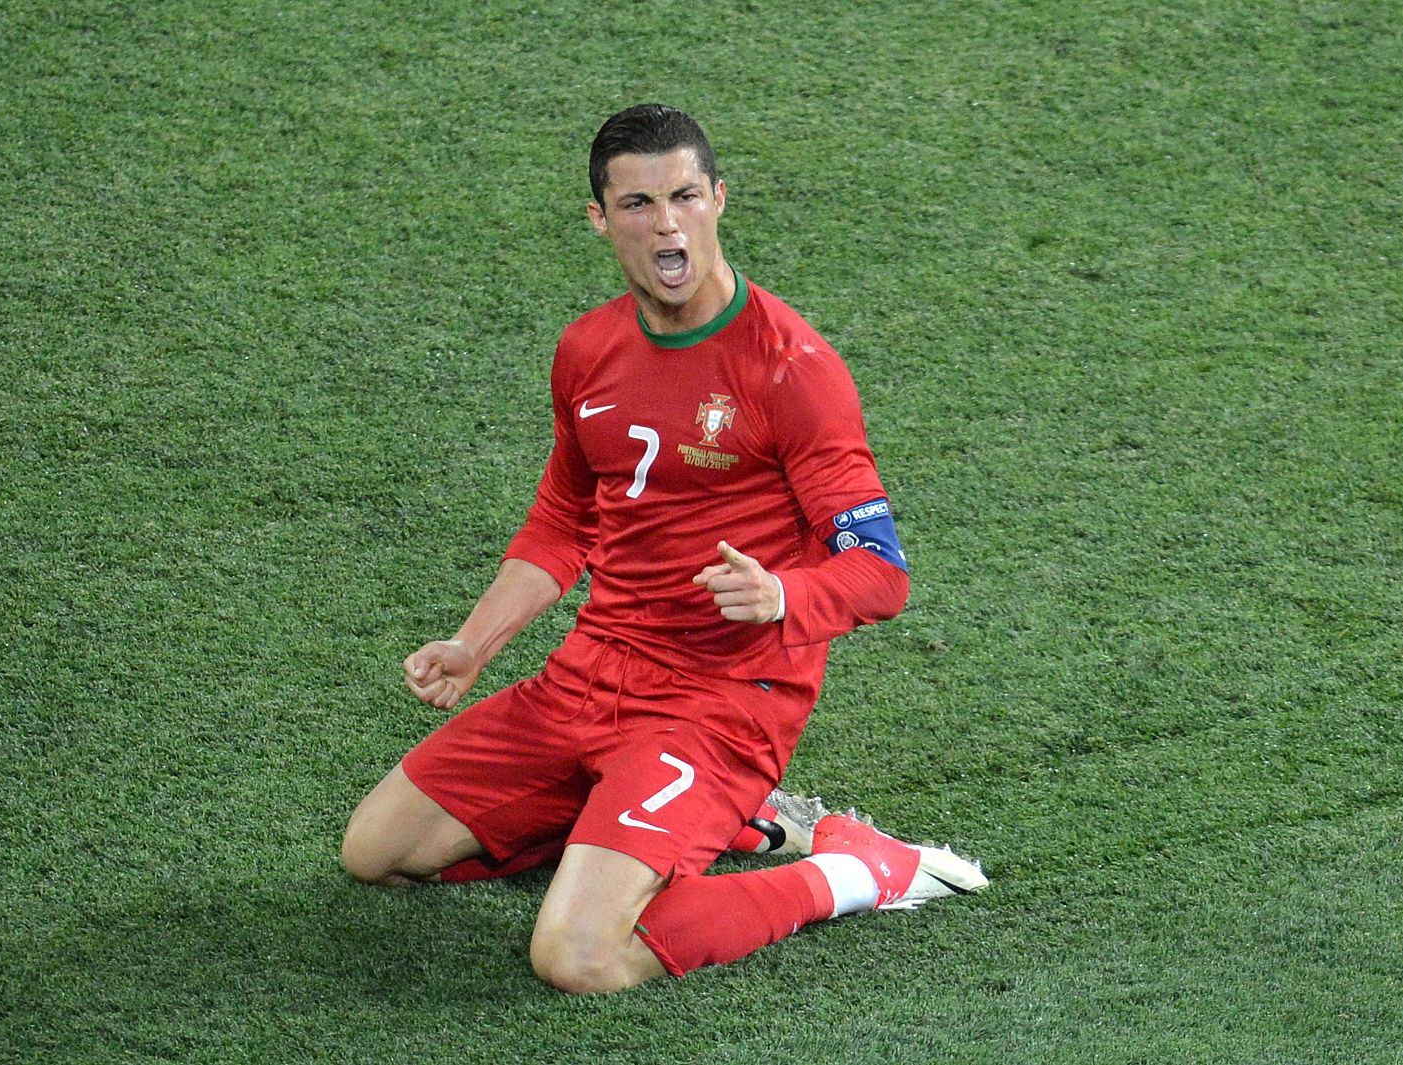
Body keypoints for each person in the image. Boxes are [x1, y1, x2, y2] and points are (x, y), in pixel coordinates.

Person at [342, 104, 987, 993]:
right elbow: (564, 522)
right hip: (591, 672)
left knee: (577, 956)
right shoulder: (588, 350)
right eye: (639, 203)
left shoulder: (791, 370)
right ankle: (720, 826)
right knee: (378, 850)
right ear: (601, 219)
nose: (667, 222)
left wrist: (786, 599)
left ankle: (850, 871)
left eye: (685, 195)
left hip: (720, 702)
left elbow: (881, 575)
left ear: (720, 199)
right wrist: (471, 644)